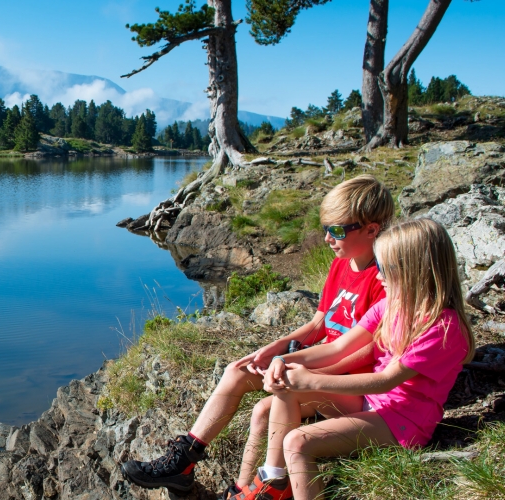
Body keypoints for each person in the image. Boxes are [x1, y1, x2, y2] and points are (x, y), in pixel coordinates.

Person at [121, 175, 395, 494]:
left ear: (371, 229)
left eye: (337, 231)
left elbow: (369, 351)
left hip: (343, 379)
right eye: (325, 230)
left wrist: (307, 370)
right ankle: (185, 460)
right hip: (318, 362)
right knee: (237, 371)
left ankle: (250, 489)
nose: (327, 240)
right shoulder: (342, 265)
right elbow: (319, 324)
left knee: (263, 410)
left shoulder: (385, 279)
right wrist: (275, 349)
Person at [238, 218, 475, 500]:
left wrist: (311, 380)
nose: (377, 275)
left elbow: (386, 381)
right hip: (371, 404)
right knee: (287, 388)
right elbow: (338, 349)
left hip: (404, 423)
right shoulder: (391, 305)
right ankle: (274, 482)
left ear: (414, 270)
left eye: (386, 268)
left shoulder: (442, 327)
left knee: (297, 443)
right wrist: (285, 360)